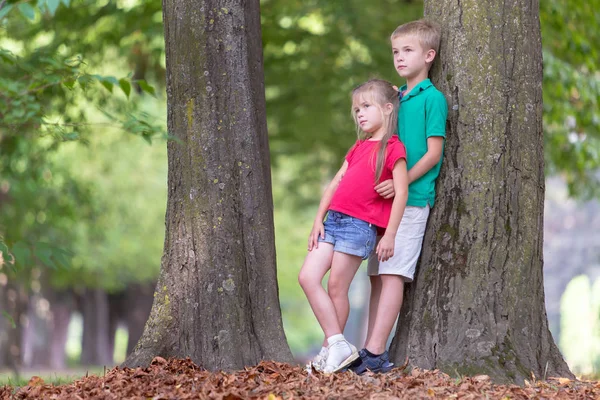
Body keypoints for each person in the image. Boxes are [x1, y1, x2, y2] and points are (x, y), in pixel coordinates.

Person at [349, 19, 448, 374]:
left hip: (413, 197)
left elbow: (433, 153)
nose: (400, 57)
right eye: (395, 51)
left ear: (429, 55)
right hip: (384, 204)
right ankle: (368, 347)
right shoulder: (397, 99)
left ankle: (376, 353)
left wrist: (400, 180)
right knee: (376, 274)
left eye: (408, 50)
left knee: (393, 274)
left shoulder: (432, 99)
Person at [298, 79, 409, 373]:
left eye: (366, 107)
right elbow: (336, 183)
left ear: (387, 109)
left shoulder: (394, 148)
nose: (359, 113)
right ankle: (337, 345)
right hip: (332, 222)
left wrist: (391, 235)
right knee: (308, 277)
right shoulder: (358, 146)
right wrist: (316, 221)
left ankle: (329, 352)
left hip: (359, 226)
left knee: (337, 286)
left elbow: (402, 193)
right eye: (356, 109)